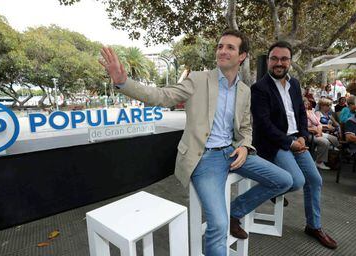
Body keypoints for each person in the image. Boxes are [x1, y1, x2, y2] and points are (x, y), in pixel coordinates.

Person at [100, 30, 293, 256]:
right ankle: (224, 223)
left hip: (232, 152)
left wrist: (244, 146)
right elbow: (161, 96)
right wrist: (124, 82)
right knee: (218, 226)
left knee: (284, 179)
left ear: (242, 56)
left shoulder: (244, 90)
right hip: (205, 157)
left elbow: (246, 128)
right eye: (220, 46)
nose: (222, 50)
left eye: (230, 47)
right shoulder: (198, 80)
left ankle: (234, 212)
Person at [251, 41, 338, 250]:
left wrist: (303, 137)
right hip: (274, 143)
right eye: (274, 58)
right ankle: (274, 187)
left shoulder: (295, 84)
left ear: (290, 61)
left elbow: (300, 112)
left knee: (315, 180)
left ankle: (313, 225)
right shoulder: (259, 88)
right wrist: (290, 143)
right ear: (269, 60)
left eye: (284, 59)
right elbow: (264, 124)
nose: (279, 63)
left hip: (296, 140)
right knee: (297, 181)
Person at [304, 98, 339, 170]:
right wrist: (319, 129)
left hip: (317, 132)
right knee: (326, 141)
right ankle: (319, 162)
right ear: (322, 106)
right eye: (305, 104)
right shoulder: (315, 113)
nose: (307, 106)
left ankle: (324, 158)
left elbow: (318, 124)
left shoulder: (310, 112)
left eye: (307, 104)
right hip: (307, 133)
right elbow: (301, 126)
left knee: (333, 140)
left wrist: (319, 132)